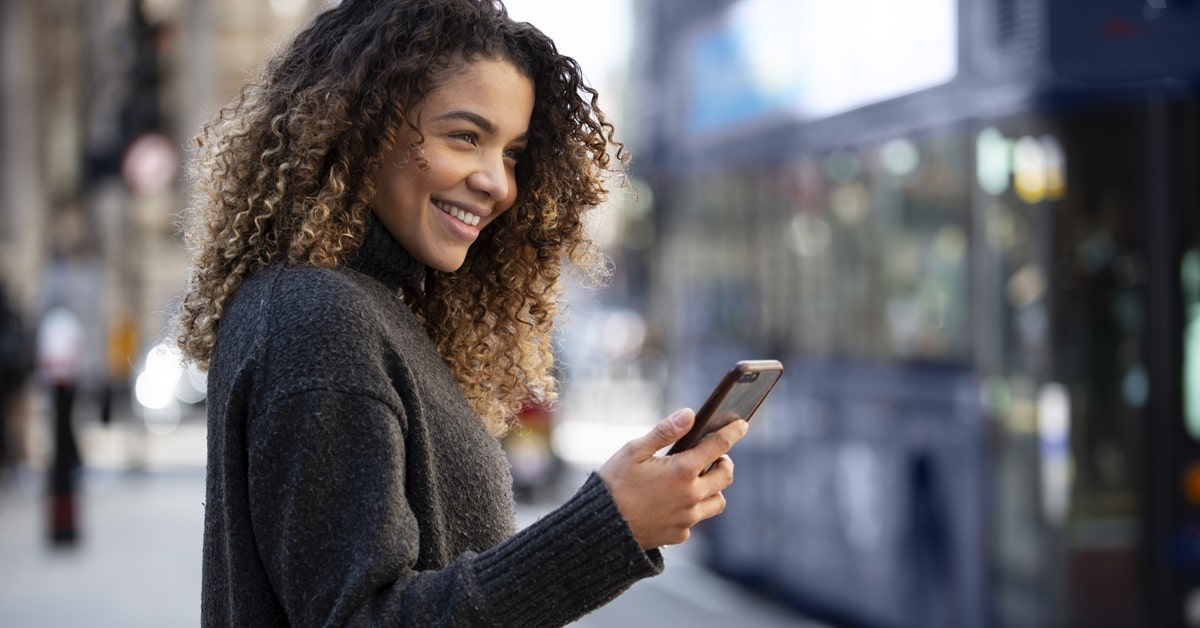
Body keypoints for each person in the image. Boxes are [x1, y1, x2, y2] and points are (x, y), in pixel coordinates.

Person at [172, 1, 748, 626]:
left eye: (511, 153)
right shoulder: (319, 319)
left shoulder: (366, 307)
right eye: (466, 137)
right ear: (362, 124)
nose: (497, 183)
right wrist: (609, 527)